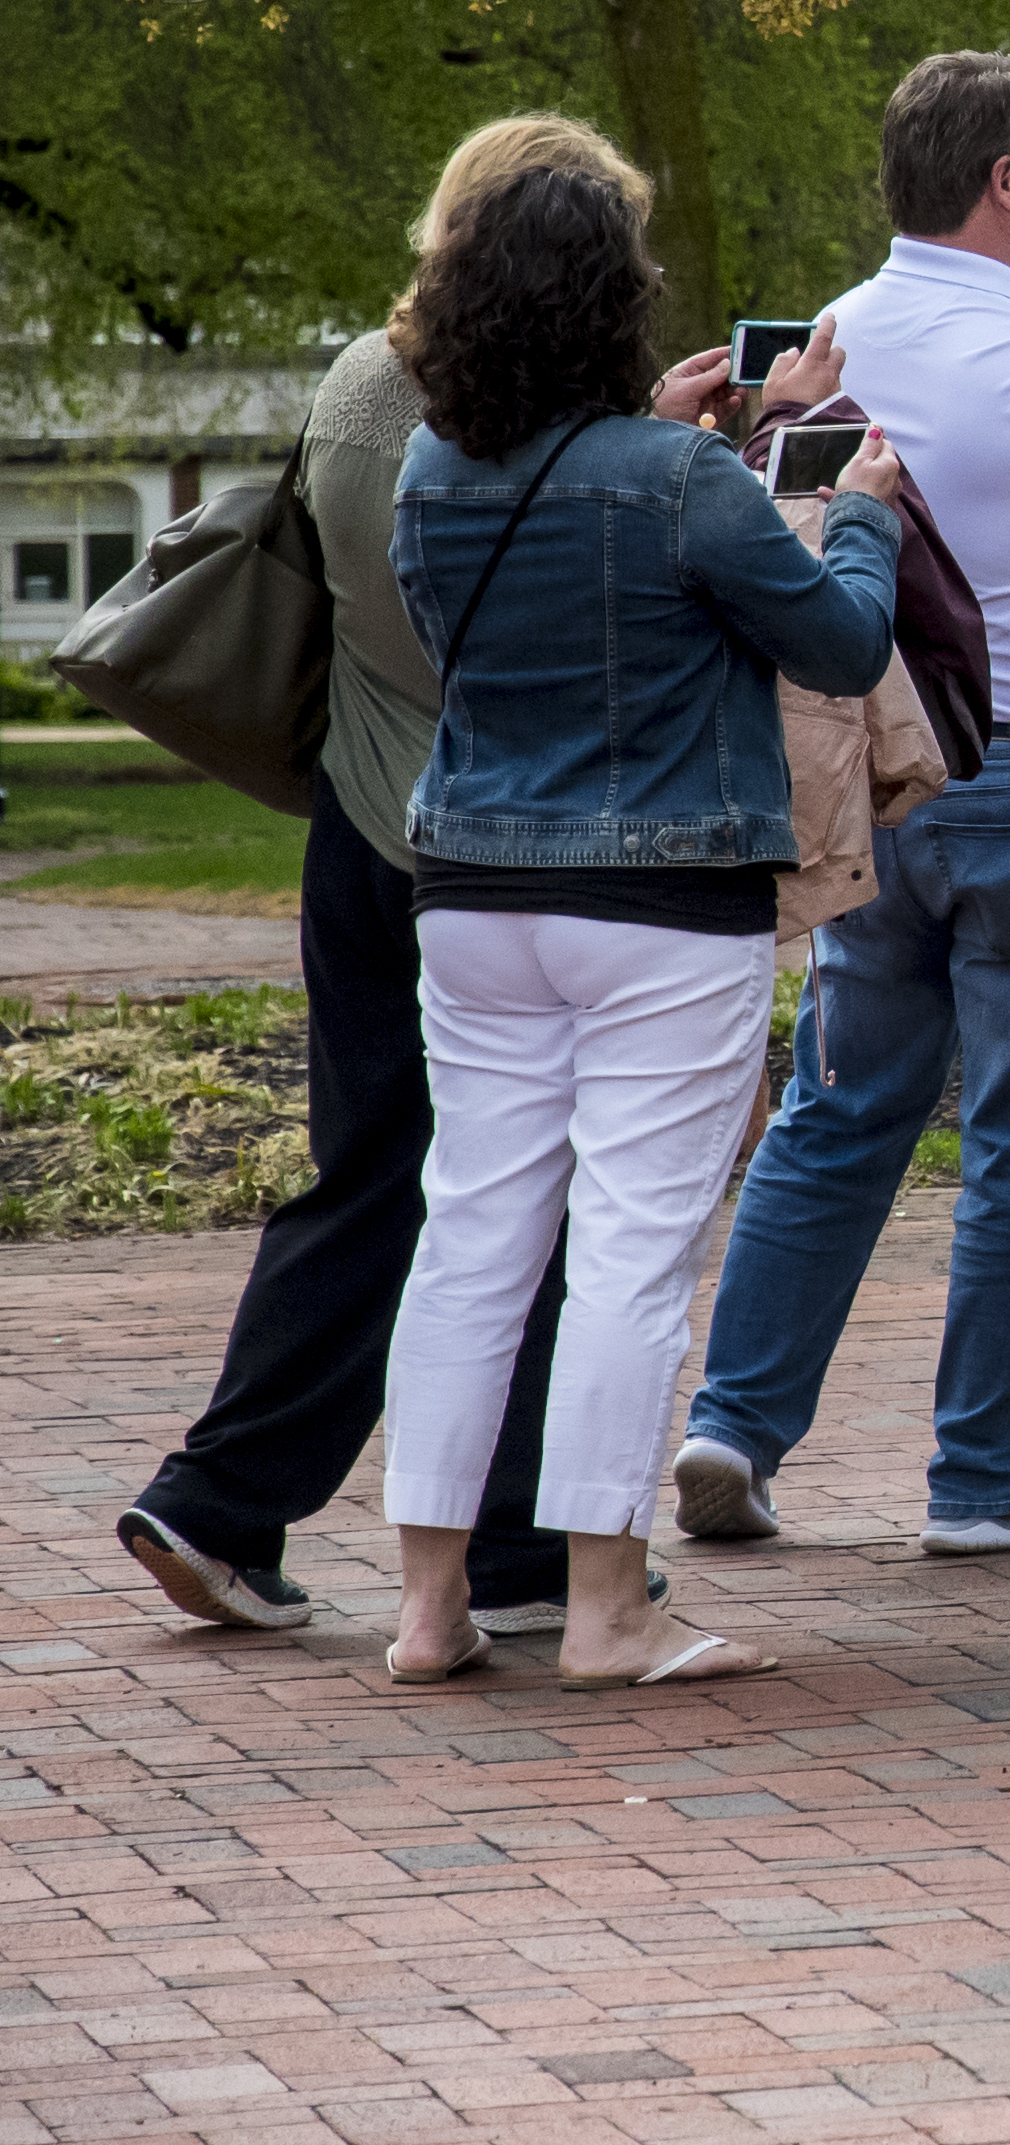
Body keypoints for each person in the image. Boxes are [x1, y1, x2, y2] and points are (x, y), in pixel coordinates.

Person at [117, 119, 700, 1637]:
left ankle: (267, 1507)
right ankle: (368, 1517)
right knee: (530, 1197)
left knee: (384, 1181)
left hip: (361, 830)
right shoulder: (525, 420)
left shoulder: (357, 389)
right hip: (501, 847)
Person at [377, 165, 907, 1687]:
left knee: (473, 1236)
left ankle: (428, 1608)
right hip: (663, 905)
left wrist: (708, 440)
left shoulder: (430, 470)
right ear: (609, 295)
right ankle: (608, 1607)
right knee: (627, 1249)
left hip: (475, 890)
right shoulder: (677, 484)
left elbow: (558, 569)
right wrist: (859, 517)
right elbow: (841, 637)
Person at [677, 53, 1010, 1555]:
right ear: (1005, 179)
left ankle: (734, 1420)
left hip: (873, 775)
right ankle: (988, 1472)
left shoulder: (827, 346)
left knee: (839, 1106)